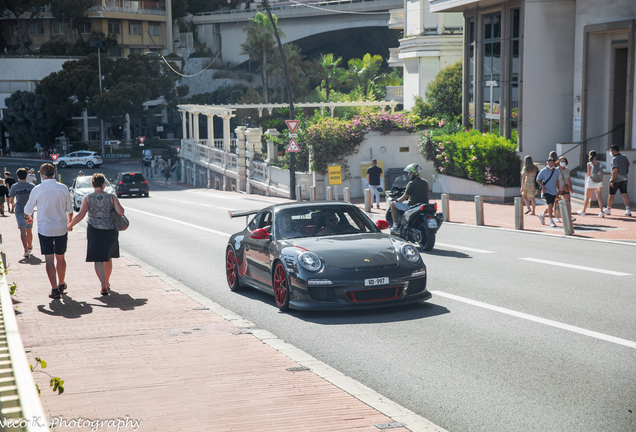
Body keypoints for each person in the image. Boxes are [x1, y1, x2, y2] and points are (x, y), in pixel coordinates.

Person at [68, 173, 125, 296]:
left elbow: (81, 214)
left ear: (93, 184)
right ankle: (108, 282)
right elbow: (120, 212)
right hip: (110, 230)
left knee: (98, 259)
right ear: (103, 184)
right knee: (108, 258)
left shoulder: (87, 198)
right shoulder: (111, 197)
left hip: (94, 231)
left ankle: (103, 284)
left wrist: (70, 224)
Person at [23, 163, 74, 299]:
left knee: (49, 259)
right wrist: (70, 223)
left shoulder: (38, 189)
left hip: (45, 229)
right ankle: (62, 284)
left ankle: (54, 289)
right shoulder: (63, 188)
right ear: (54, 173)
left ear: (41, 175)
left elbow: (27, 210)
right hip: (61, 228)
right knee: (61, 256)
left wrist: (27, 218)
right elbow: (70, 209)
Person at [390, 163, 428, 233]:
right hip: (422, 204)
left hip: (411, 206)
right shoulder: (425, 182)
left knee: (392, 204)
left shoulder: (411, 183)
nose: (408, 174)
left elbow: (404, 198)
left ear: (412, 173)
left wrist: (396, 200)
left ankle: (395, 225)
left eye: (409, 172)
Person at [8, 168, 35, 258]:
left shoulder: (14, 186)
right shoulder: (32, 186)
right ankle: (30, 246)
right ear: (26, 175)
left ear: (18, 176)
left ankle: (26, 250)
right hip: (29, 211)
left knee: (22, 231)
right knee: (29, 230)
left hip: (19, 210)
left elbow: (11, 200)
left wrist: (14, 205)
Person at [603, 145, 631, 216]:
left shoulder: (615, 159)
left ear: (614, 151)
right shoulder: (624, 157)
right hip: (624, 178)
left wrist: (612, 180)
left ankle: (608, 209)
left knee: (611, 194)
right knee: (624, 194)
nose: (611, 153)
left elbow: (615, 170)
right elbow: (628, 165)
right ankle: (628, 210)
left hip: (616, 180)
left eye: (611, 151)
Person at [577, 150, 605, 218]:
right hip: (599, 181)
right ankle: (601, 212)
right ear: (596, 156)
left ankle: (583, 211)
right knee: (599, 197)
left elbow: (589, 174)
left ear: (589, 156)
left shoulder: (589, 164)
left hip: (592, 180)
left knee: (587, 197)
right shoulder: (599, 163)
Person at [536, 157, 560, 227]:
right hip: (546, 190)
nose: (551, 164)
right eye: (550, 163)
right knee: (550, 205)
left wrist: (558, 189)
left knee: (551, 206)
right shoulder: (543, 171)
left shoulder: (556, 171)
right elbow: (538, 179)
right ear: (547, 163)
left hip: (553, 190)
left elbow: (557, 180)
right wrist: (542, 186)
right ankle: (551, 220)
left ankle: (542, 214)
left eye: (553, 163)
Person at [555, 156, 575, 223]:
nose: (563, 162)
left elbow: (568, 179)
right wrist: (557, 188)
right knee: (557, 202)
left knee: (568, 202)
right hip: (559, 188)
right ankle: (557, 216)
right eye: (561, 161)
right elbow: (556, 180)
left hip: (566, 188)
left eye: (564, 161)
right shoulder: (556, 170)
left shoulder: (567, 170)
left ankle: (569, 215)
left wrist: (571, 188)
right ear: (558, 162)